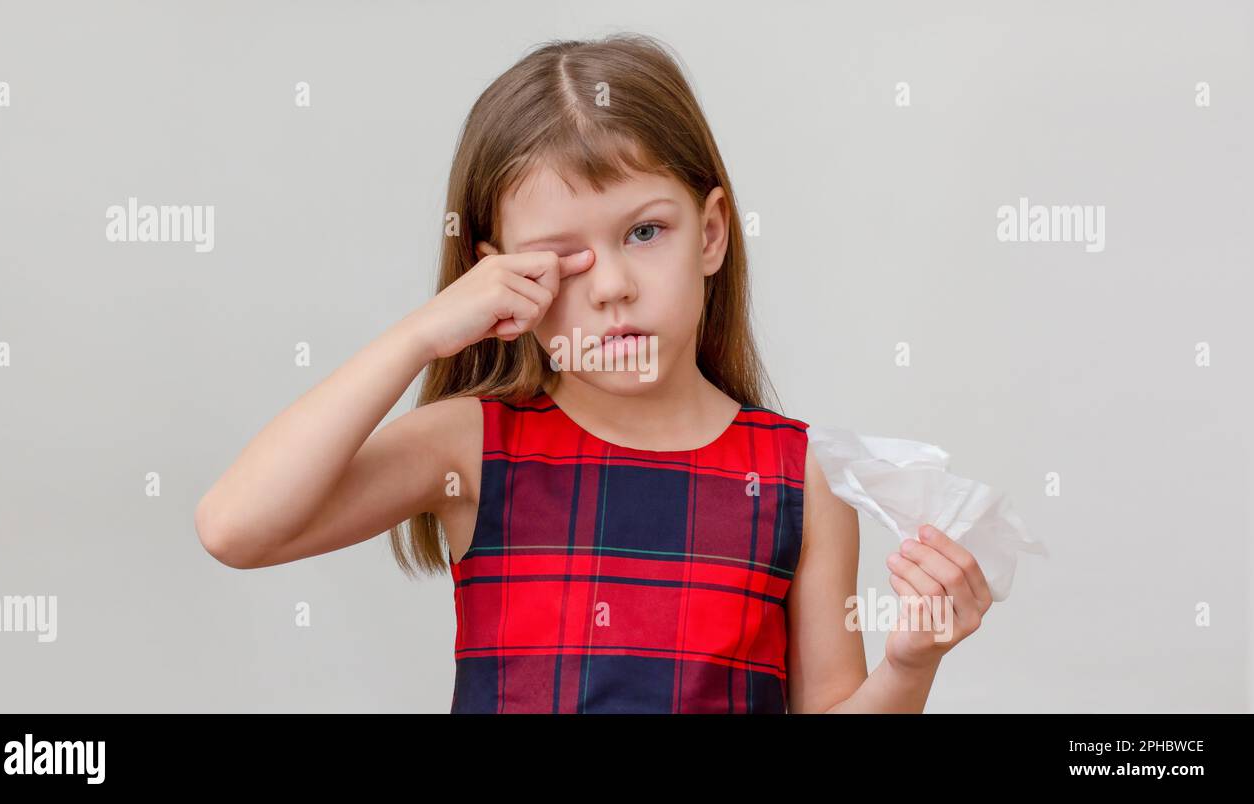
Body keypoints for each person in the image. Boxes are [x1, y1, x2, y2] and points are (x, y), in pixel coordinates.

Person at [194, 33, 992, 714]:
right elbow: (235, 528)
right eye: (559, 258)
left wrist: (909, 665)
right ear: (495, 276)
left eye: (645, 232)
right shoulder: (472, 448)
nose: (610, 285)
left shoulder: (800, 477)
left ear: (711, 233)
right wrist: (418, 337)